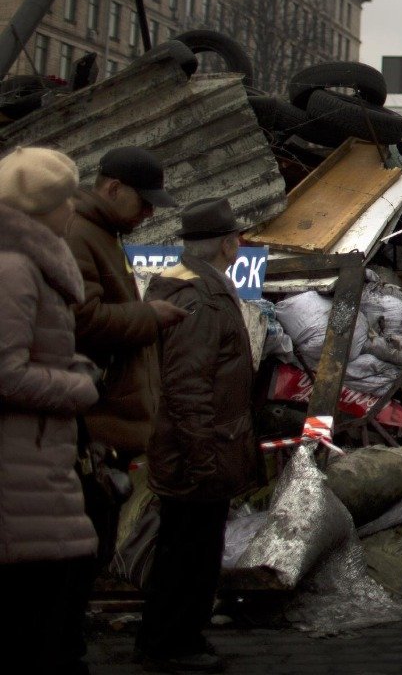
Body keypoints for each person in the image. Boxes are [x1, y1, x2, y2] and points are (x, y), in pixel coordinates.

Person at [136, 197, 258, 674]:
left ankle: (176, 638)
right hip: (196, 451)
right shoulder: (201, 298)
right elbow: (187, 384)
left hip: (200, 446)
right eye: (237, 237)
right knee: (186, 554)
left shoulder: (197, 283)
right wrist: (201, 457)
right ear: (229, 243)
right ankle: (167, 645)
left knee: (192, 550)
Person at [0, 147, 102, 675]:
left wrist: (71, 364)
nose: (72, 213)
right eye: (67, 201)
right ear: (45, 207)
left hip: (38, 469)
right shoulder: (15, 268)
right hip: (19, 477)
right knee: (34, 635)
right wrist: (78, 386)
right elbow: (4, 371)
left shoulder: (31, 265)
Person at [65, 145, 186, 561]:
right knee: (82, 554)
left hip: (110, 430)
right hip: (94, 430)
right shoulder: (79, 234)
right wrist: (148, 316)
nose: (150, 214)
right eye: (145, 202)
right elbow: (83, 320)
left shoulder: (103, 235)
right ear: (114, 189)